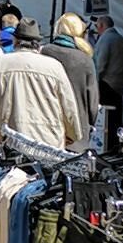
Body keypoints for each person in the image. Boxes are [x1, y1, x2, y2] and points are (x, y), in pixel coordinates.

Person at [0, 17, 82, 148]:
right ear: (37, 43)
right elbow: (68, 107)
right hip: (48, 144)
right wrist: (73, 134)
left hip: (11, 142)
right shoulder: (54, 67)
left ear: (15, 40)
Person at [42, 13, 98, 149]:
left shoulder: (45, 52)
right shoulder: (85, 60)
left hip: (48, 126)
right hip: (78, 130)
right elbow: (93, 104)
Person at [94, 15, 123, 144]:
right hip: (119, 83)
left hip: (107, 83)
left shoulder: (106, 39)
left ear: (102, 26)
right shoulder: (120, 38)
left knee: (107, 117)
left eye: (97, 26)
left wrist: (95, 82)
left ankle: (108, 142)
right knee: (116, 115)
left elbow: (101, 63)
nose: (96, 29)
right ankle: (117, 140)